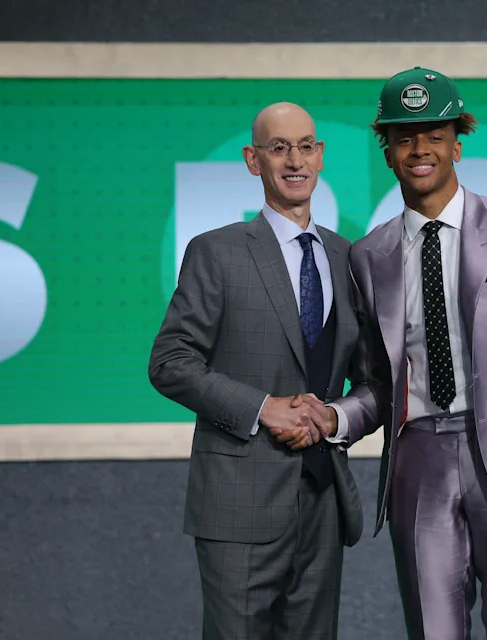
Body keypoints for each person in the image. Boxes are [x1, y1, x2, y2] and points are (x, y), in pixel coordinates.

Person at [300, 67, 487, 639]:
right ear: (387, 151)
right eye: (404, 137)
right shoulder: (369, 255)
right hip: (417, 465)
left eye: (434, 133)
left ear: (458, 141)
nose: (420, 149)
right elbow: (379, 384)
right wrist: (335, 418)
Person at [148, 102, 362, 640]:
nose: (295, 160)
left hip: (322, 502)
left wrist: (335, 418)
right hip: (238, 502)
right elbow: (170, 363)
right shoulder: (216, 253)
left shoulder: (348, 258)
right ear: (253, 160)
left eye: (306, 146)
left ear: (321, 156)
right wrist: (263, 408)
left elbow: (377, 383)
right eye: (278, 147)